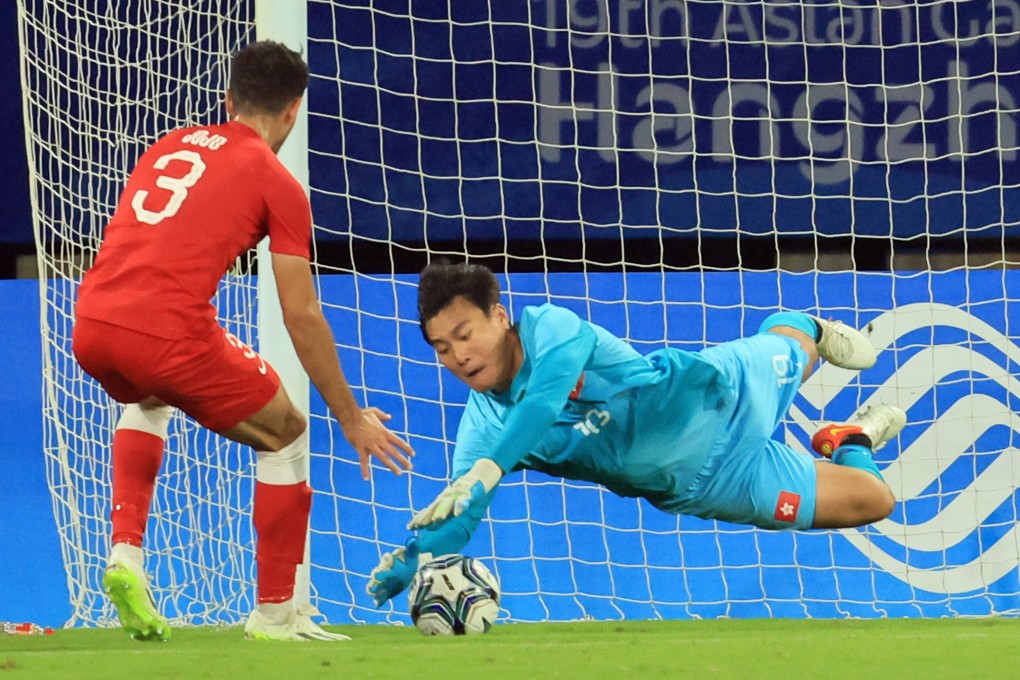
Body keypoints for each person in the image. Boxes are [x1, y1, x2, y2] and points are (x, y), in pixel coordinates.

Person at [72, 41, 414, 642]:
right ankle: (276, 616)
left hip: (93, 321)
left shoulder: (166, 146)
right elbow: (300, 313)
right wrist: (349, 415)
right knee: (286, 432)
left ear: (228, 99)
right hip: (165, 332)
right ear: (294, 111)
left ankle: (125, 555)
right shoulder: (275, 179)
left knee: (146, 395)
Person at [367, 261, 906, 607]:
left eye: (464, 335)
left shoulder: (553, 329)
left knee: (801, 349)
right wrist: (415, 557)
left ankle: (805, 322)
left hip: (711, 396)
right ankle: (851, 438)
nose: (457, 356)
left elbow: (544, 400)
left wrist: (488, 470)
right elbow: (460, 521)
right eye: (440, 349)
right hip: (706, 484)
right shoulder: (482, 427)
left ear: (500, 316)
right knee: (874, 501)